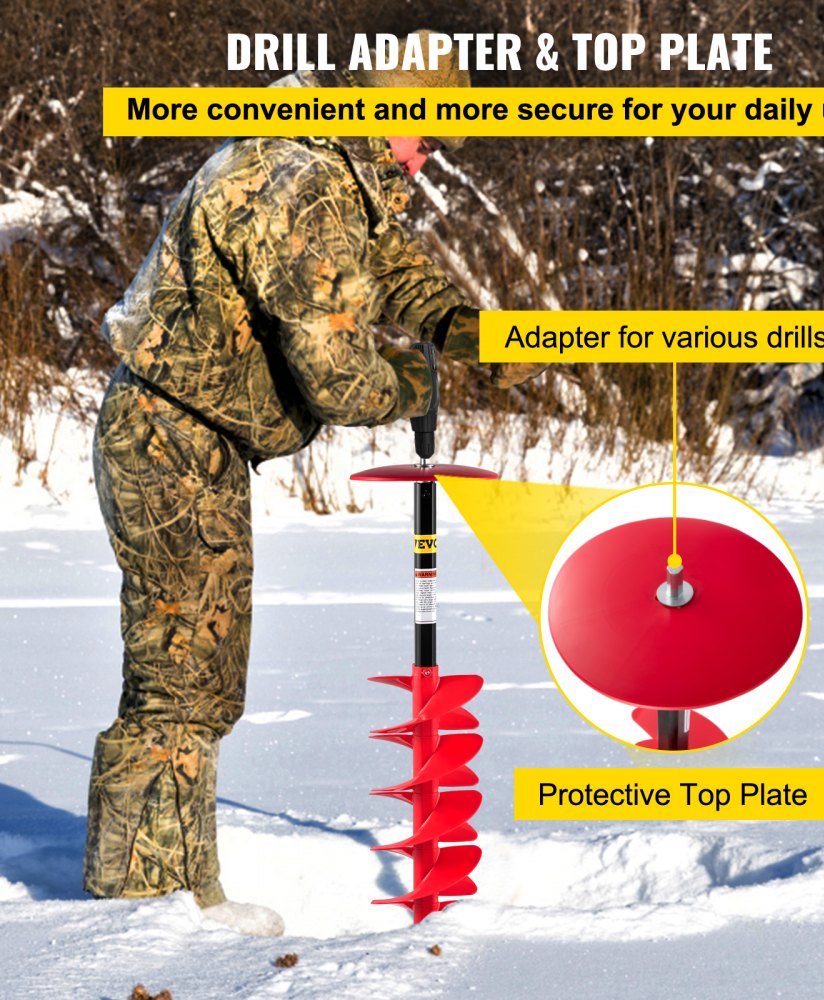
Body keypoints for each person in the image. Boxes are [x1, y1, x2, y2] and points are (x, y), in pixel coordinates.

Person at [83, 30, 542, 934]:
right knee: (181, 677)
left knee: (196, 677)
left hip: (191, 438)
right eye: (432, 132)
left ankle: (164, 892)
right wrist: (409, 384)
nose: (433, 154)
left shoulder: (332, 164)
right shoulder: (306, 181)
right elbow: (334, 371)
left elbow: (379, 265)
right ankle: (145, 910)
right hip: (172, 437)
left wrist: (458, 325)